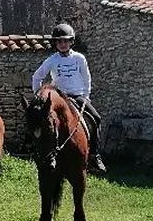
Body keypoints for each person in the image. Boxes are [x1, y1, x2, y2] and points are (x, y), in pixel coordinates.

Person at [30, 22, 107, 173]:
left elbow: (86, 77)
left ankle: (94, 155)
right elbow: (36, 77)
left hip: (77, 95)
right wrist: (38, 97)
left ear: (71, 42)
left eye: (66, 41)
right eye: (59, 41)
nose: (63, 44)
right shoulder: (52, 60)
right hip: (59, 97)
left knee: (96, 118)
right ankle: (34, 150)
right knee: (39, 120)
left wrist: (86, 95)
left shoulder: (79, 58)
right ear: (55, 44)